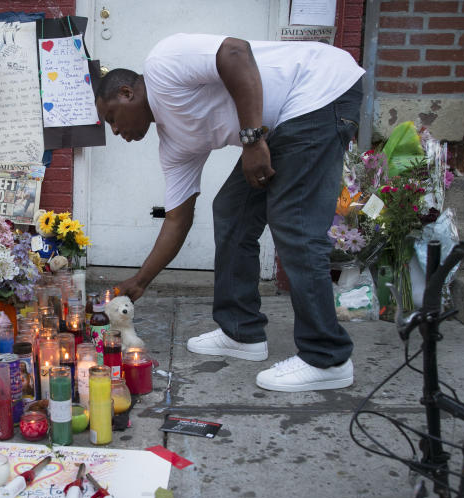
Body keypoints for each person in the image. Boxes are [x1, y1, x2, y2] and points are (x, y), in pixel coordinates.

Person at [96, 34, 363, 392]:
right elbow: (178, 217)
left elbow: (234, 51)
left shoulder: (162, 64)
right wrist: (140, 280)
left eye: (112, 117)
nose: (115, 130)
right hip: (283, 122)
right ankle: (242, 333)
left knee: (294, 224)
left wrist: (252, 140)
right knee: (231, 211)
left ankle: (326, 357)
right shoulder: (174, 143)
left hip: (318, 89)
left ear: (127, 93)